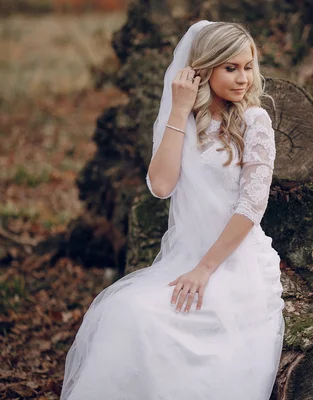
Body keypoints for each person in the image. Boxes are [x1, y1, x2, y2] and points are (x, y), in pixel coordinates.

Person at [61, 20, 285, 400]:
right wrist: (179, 111)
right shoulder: (182, 120)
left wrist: (205, 269)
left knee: (168, 331)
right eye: (230, 68)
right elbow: (161, 186)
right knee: (125, 313)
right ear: (203, 69)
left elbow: (252, 205)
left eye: (248, 66)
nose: (243, 78)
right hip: (185, 258)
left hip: (235, 263)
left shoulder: (254, 121)